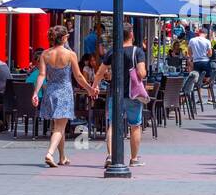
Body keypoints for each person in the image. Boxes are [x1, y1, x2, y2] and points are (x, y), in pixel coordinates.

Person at [32, 25, 97, 168]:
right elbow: (78, 76)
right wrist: (90, 89)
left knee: (58, 125)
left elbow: (42, 75)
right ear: (63, 38)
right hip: (64, 92)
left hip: (50, 91)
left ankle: (62, 157)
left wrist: (36, 92)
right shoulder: (70, 54)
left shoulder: (45, 54)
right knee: (60, 128)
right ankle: (49, 153)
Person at [93, 23, 150, 168]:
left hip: (115, 94)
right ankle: (134, 158)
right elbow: (142, 73)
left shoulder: (112, 51)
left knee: (113, 125)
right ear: (131, 35)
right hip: (133, 94)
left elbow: (100, 72)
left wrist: (94, 86)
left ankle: (111, 156)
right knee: (135, 126)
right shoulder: (137, 51)